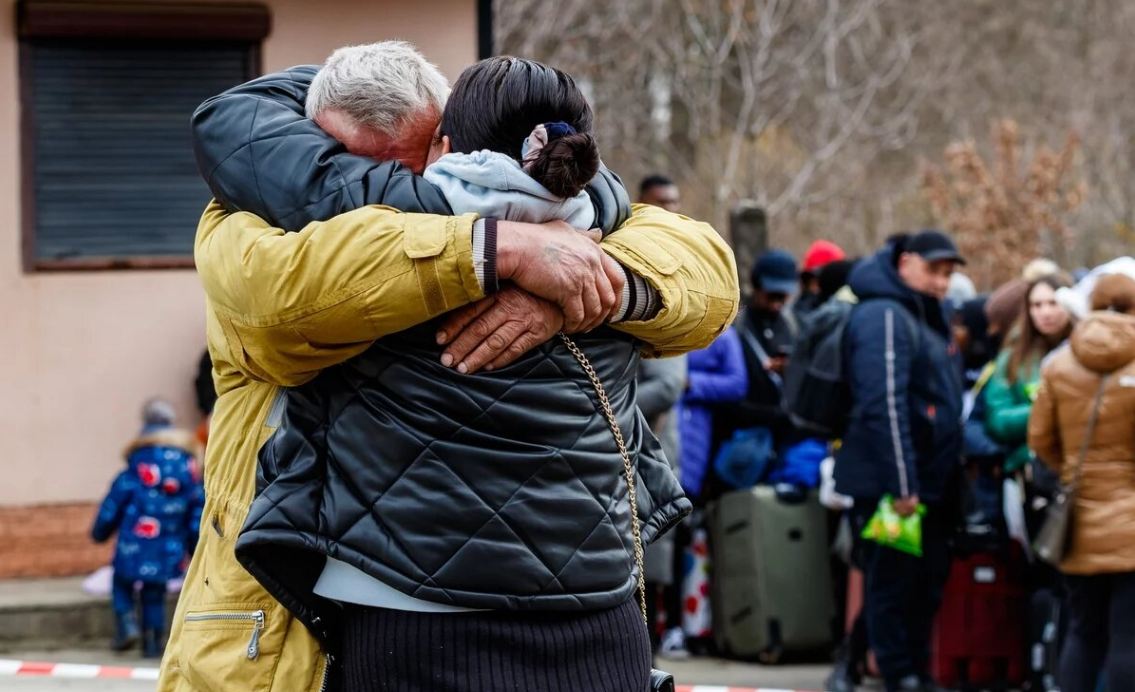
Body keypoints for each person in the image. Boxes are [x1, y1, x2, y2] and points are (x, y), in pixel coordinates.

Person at [160, 44, 739, 692]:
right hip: (295, 629)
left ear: (445, 138)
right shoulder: (257, 225)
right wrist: (498, 251)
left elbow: (708, 275)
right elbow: (279, 306)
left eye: (412, 161)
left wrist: (582, 289)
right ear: (311, 147)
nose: (405, 193)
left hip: (544, 620)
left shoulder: (569, 220)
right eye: (356, 161)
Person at [833, 230, 966, 692]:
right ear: (906, 262)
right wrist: (904, 483)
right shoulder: (884, 314)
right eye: (935, 270)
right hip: (893, 484)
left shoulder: (925, 312)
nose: (943, 282)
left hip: (927, 480)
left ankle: (866, 667)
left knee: (914, 582)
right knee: (894, 584)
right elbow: (882, 402)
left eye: (949, 274)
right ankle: (900, 674)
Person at [1028, 273, 1135, 692]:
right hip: (1131, 525)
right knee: (1129, 635)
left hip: (1078, 522)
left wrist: (1073, 470)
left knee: (1084, 632)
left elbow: (1038, 439)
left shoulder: (1058, 365)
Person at [91, 399, 202, 658]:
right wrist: (195, 545)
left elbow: (115, 500)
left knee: (121, 582)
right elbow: (197, 508)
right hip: (169, 544)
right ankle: (153, 644)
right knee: (155, 592)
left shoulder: (137, 463)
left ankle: (127, 624)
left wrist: (100, 531)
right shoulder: (188, 469)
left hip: (134, 541)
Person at [984, 274, 1073, 474]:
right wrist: (1044, 409)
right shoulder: (1013, 357)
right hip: (1029, 466)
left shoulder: (1089, 351)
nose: (1045, 312)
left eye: (1053, 303)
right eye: (1037, 305)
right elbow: (997, 419)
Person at [795, 240, 845, 319]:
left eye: (822, 283)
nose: (815, 289)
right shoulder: (793, 315)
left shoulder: (845, 316)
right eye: (810, 283)